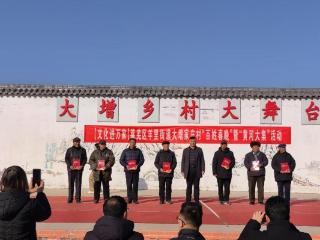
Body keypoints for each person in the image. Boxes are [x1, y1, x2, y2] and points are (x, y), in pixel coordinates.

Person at [0, 166, 51, 240]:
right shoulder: (30, 203)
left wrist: (28, 192)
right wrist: (39, 193)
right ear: (23, 181)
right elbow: (45, 213)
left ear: (4, 181)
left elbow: (13, 197)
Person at [238, 196, 312, 240]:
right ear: (288, 214)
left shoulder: (255, 236)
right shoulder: (305, 237)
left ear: (267, 217)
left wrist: (253, 223)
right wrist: (289, 225)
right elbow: (295, 233)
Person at [120, 138, 145, 204]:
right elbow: (121, 160)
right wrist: (126, 165)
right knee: (129, 185)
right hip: (128, 171)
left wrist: (138, 165)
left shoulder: (138, 151)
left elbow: (142, 160)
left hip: (136, 171)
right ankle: (129, 199)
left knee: (135, 185)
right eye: (131, 142)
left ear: (135, 143)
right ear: (129, 143)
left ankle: (135, 199)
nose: (132, 143)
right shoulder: (125, 151)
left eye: (134, 142)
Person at [181, 136, 205, 203]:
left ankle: (196, 200)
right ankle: (188, 200)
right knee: (189, 186)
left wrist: (203, 169)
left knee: (196, 186)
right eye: (191, 141)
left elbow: (202, 160)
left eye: (194, 141)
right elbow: (183, 161)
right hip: (188, 171)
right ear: (189, 142)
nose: (193, 142)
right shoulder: (185, 150)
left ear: (195, 142)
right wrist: (182, 170)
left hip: (197, 171)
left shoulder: (199, 150)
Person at [212, 140, 235, 205]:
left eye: (225, 144)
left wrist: (229, 166)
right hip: (219, 174)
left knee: (227, 188)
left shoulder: (230, 153)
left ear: (226, 145)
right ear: (220, 145)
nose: (224, 146)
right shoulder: (217, 153)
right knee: (220, 187)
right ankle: (221, 200)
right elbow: (214, 163)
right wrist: (214, 172)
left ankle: (226, 200)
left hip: (227, 174)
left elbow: (233, 162)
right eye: (222, 144)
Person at [65, 137, 87, 203]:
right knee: (71, 184)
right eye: (76, 142)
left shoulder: (83, 150)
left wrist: (82, 165)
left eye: (78, 142)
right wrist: (70, 165)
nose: (77, 143)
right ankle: (70, 198)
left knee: (78, 184)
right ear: (73, 142)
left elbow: (85, 159)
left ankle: (78, 199)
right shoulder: (69, 150)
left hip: (79, 170)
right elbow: (66, 159)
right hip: (71, 169)